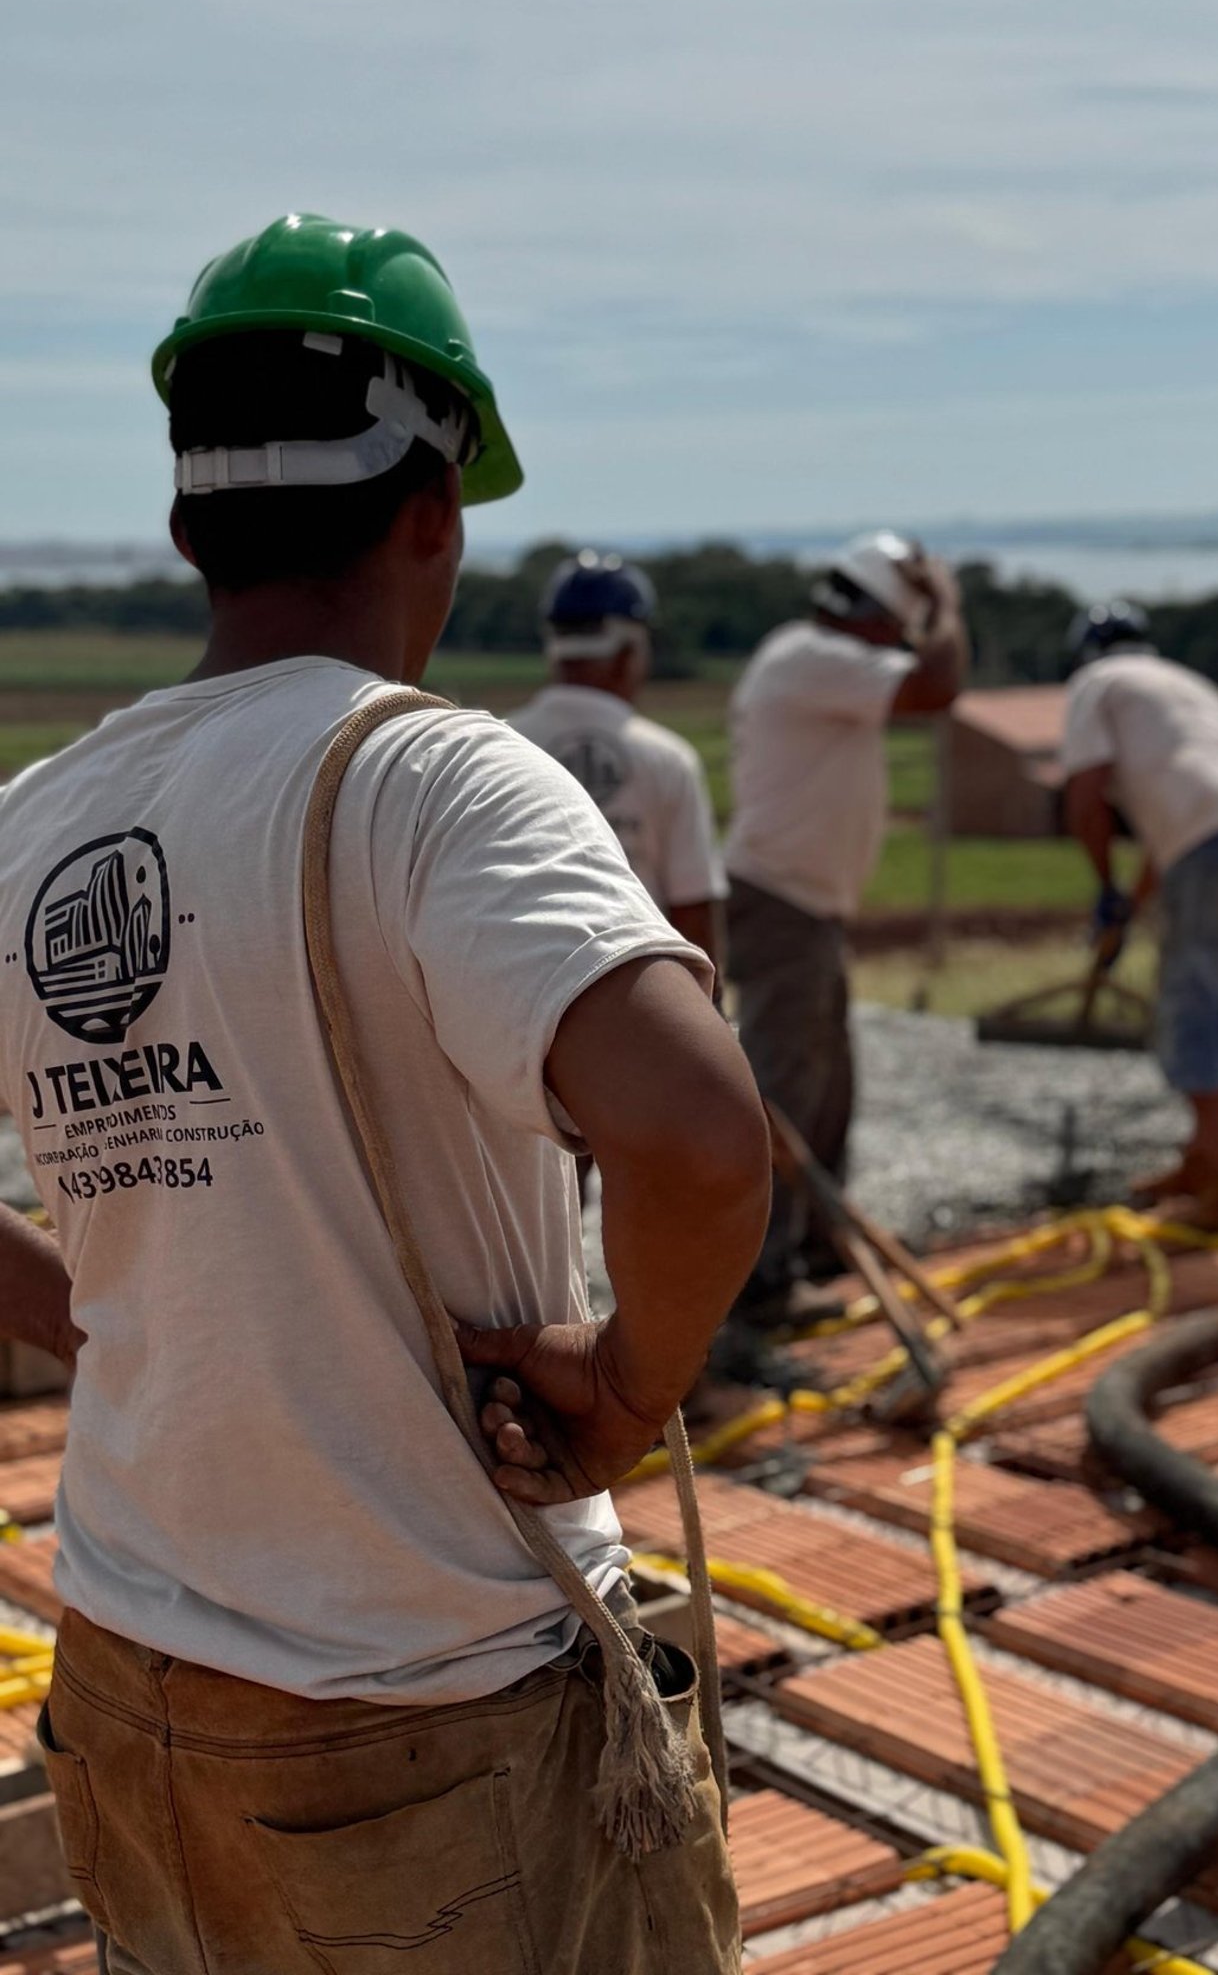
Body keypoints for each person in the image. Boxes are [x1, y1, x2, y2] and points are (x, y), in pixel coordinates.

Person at [0, 214, 768, 1972]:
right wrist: (625, 1390)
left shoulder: (35, 823)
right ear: (437, 516)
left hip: (125, 1678)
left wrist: (112, 1328)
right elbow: (704, 1138)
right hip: (423, 1702)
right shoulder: (431, 784)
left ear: (190, 525)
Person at [724, 531, 966, 1319]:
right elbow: (938, 686)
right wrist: (946, 603)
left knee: (825, 1088)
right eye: (896, 628)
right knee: (788, 1092)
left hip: (806, 907)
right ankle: (761, 1281)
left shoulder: (819, 664)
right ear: (870, 617)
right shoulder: (809, 659)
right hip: (781, 901)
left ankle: (816, 1250)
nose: (897, 646)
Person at [1059, 602, 1218, 1231]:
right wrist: (1130, 908)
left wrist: (1103, 887)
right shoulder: (1185, 684)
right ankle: (1202, 1160)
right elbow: (1166, 839)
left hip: (1213, 841)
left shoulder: (1097, 684)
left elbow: (1085, 793)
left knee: (1189, 1008)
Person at [509, 552, 727, 966]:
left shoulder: (499, 744)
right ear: (629, 653)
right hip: (641, 995)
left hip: (522, 988)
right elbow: (694, 905)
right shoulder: (668, 759)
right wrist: (712, 1014)